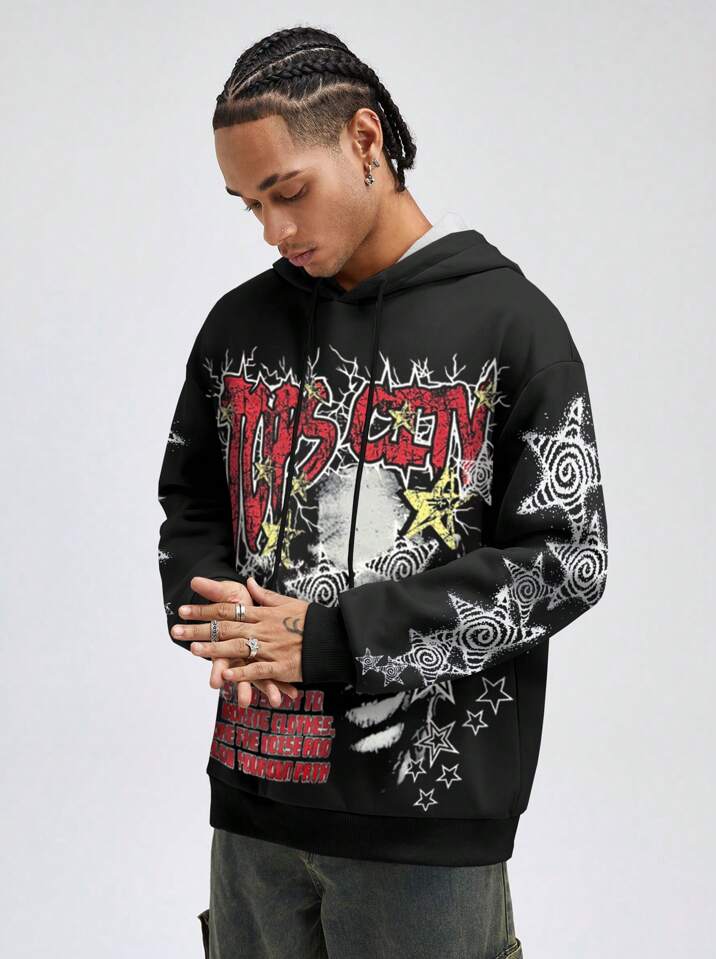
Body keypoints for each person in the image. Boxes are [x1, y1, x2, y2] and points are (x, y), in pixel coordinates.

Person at [157, 24, 609, 959]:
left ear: (366, 140)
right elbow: (189, 500)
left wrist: (334, 639)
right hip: (252, 806)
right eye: (250, 205)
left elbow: (567, 561)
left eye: (289, 192)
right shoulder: (237, 327)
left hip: (425, 827)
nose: (274, 230)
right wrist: (220, 615)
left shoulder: (510, 325)